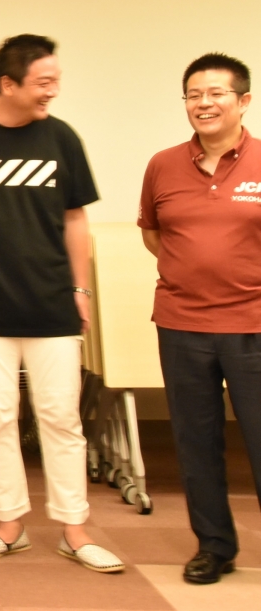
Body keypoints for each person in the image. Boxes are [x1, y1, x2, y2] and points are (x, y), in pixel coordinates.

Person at [0, 35, 123, 574]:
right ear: (8, 84)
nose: (52, 91)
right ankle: (8, 525)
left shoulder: (62, 137)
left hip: (52, 305)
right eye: (43, 82)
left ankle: (74, 530)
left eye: (56, 80)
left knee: (61, 419)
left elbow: (75, 217)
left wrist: (81, 289)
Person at [138, 53, 261, 585]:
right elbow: (154, 234)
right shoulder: (163, 164)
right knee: (196, 442)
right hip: (182, 323)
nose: (203, 103)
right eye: (193, 94)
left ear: (243, 101)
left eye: (215, 94)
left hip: (254, 324)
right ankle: (214, 547)